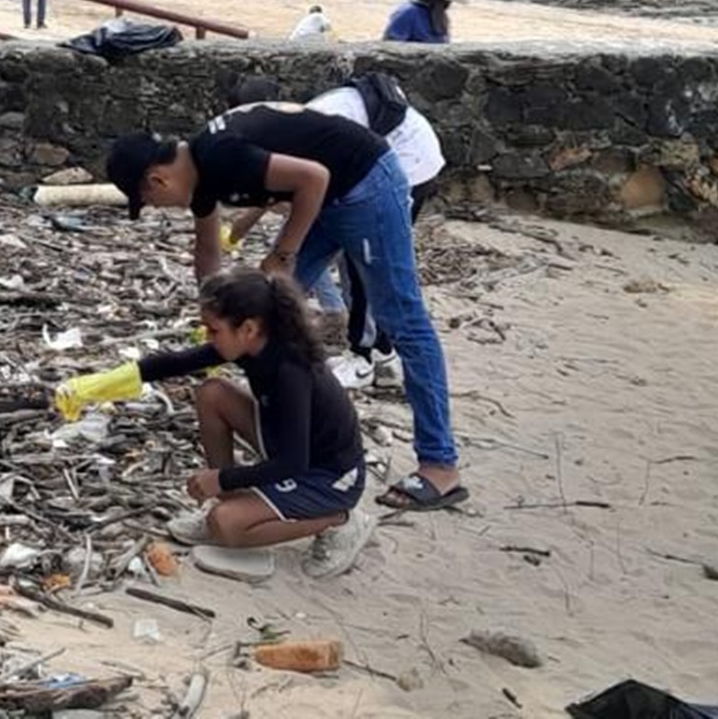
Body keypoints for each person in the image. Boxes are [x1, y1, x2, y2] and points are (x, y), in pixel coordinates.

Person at [106, 105, 467, 512]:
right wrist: (214, 310)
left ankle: (440, 465)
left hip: (365, 183)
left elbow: (314, 176)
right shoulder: (201, 176)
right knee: (264, 312)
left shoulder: (221, 154)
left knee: (403, 320)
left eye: (149, 200)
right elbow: (207, 252)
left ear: (158, 179)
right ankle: (290, 442)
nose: (156, 207)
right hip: (325, 198)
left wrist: (283, 254)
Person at [58, 270, 374, 578]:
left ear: (248, 328)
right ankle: (234, 503)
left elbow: (293, 462)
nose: (208, 338)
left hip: (329, 476)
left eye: (213, 330)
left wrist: (222, 478)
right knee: (212, 393)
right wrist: (95, 386)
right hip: (286, 444)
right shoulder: (252, 345)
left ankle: (340, 520)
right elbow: (176, 362)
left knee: (226, 525)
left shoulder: (292, 371)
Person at [227, 75, 444, 384]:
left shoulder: (309, 127)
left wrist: (276, 244)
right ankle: (374, 352)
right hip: (374, 168)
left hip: (409, 162)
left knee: (363, 261)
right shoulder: (295, 122)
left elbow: (304, 193)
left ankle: (366, 356)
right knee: (313, 256)